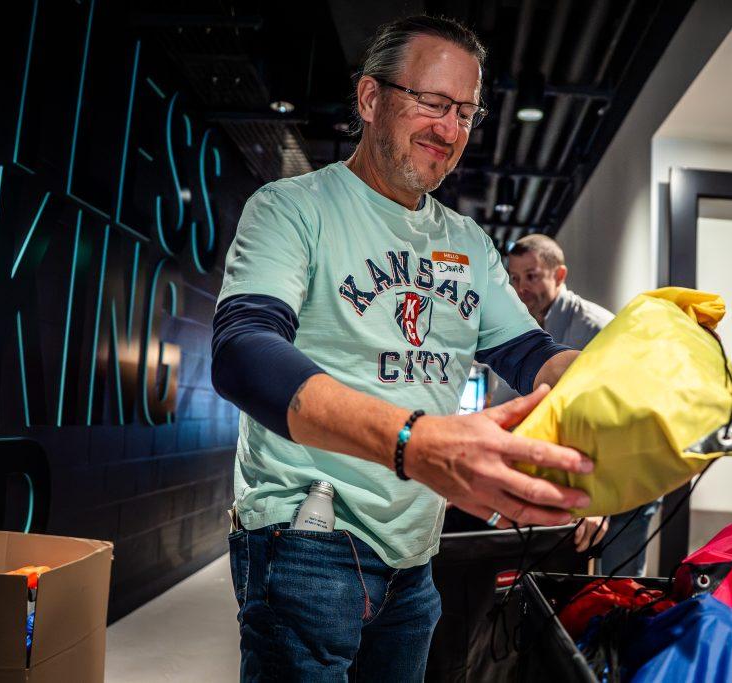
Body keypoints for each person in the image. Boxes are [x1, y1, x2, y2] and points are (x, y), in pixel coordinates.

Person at [210, 16, 593, 681]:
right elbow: (243, 351)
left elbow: (533, 354)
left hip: (415, 552)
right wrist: (416, 442)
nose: (450, 129)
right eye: (433, 102)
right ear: (370, 98)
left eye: (466, 113)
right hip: (305, 538)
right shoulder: (293, 208)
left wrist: (617, 388)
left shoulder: (469, 243)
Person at [506, 235, 660, 577]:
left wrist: (599, 499)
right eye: (514, 278)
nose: (520, 289)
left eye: (531, 276)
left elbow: (626, 421)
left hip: (625, 474)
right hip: (580, 478)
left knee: (617, 586)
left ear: (559, 275)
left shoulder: (597, 327)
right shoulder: (532, 324)